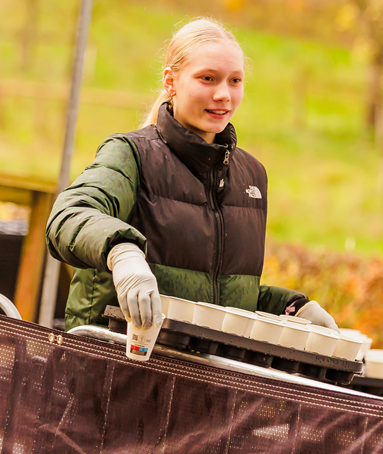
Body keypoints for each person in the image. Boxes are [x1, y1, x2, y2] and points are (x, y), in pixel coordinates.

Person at [46, 18, 338, 332]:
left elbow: (219, 297)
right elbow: (68, 216)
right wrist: (123, 253)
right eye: (208, 78)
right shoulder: (132, 154)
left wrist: (292, 308)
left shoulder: (251, 176)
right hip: (113, 362)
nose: (224, 94)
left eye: (235, 81)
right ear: (170, 82)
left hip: (199, 374)